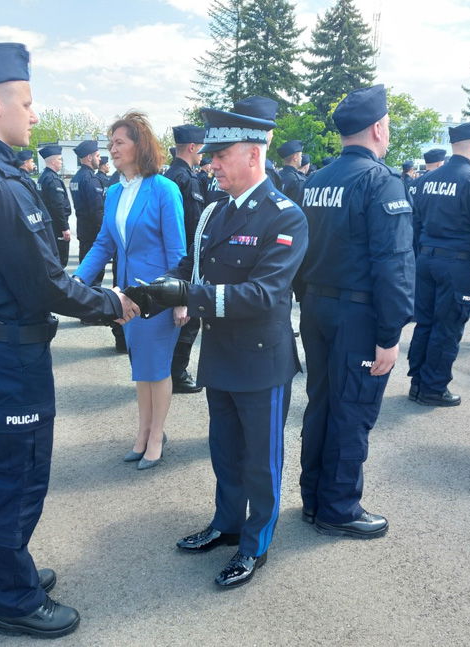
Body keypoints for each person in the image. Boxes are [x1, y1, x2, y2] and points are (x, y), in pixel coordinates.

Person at [0, 41, 138, 638]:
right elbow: (44, 282)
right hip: (9, 352)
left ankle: (5, 572)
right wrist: (113, 306)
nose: (34, 115)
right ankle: (13, 598)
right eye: (26, 103)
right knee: (15, 475)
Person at [128, 100, 308, 588]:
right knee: (224, 450)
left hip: (261, 359)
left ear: (253, 154)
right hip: (222, 353)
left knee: (261, 459)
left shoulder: (284, 216)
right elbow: (195, 270)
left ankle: (256, 545)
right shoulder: (216, 211)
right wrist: (156, 287)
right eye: (210, 156)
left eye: (220, 156)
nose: (211, 164)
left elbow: (266, 293)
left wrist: (188, 294)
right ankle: (226, 525)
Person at [296, 84, 415, 539]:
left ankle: (314, 499)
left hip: (316, 308)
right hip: (358, 316)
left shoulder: (317, 180)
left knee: (323, 403)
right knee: (353, 409)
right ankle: (339, 507)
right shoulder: (380, 181)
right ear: (379, 128)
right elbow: (395, 264)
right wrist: (390, 334)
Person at [75, 112, 186, 468]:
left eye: (119, 142)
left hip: (157, 297)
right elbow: (103, 244)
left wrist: (180, 298)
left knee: (157, 369)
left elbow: (178, 253)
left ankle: (156, 436)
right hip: (127, 298)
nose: (112, 149)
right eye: (111, 143)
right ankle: (142, 433)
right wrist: (77, 282)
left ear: (140, 145)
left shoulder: (164, 189)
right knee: (140, 368)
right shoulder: (114, 193)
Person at [407, 122, 470, 406]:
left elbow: (415, 224)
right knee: (447, 327)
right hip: (458, 266)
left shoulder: (426, 180)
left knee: (425, 323)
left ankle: (418, 383)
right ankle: (433, 388)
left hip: (426, 259)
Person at [164, 124, 207, 394]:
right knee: (188, 320)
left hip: (180, 259)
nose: (204, 155)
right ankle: (176, 373)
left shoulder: (172, 175)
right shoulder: (184, 179)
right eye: (202, 149)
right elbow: (190, 226)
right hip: (186, 259)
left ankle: (171, 369)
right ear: (192, 147)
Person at [69, 140, 105, 284]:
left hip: (83, 230)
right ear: (89, 157)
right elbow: (97, 211)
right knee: (95, 275)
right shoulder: (90, 179)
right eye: (97, 155)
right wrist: (104, 233)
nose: (100, 159)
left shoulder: (76, 178)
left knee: (85, 269)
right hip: (93, 233)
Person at [37, 145, 72, 267]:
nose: (62, 163)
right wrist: (64, 228)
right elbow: (58, 206)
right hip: (56, 226)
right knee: (60, 261)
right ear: (52, 161)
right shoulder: (52, 179)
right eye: (60, 159)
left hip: (48, 224)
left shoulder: (43, 177)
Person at [277, 139, 306, 205]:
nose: (301, 158)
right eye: (300, 155)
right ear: (295, 157)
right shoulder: (298, 180)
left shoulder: (275, 175)